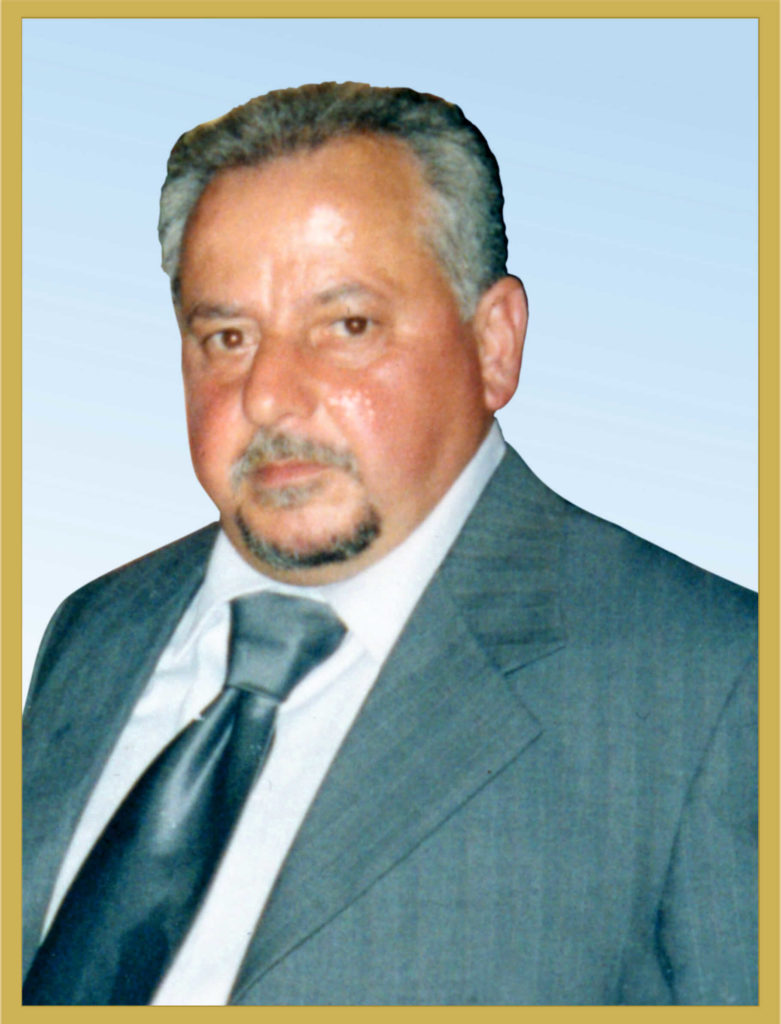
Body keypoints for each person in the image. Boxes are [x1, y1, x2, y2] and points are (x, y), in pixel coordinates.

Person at [22, 82, 757, 1006]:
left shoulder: (714, 682)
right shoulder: (94, 628)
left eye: (347, 326)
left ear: (493, 344)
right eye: (227, 336)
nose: (268, 395)